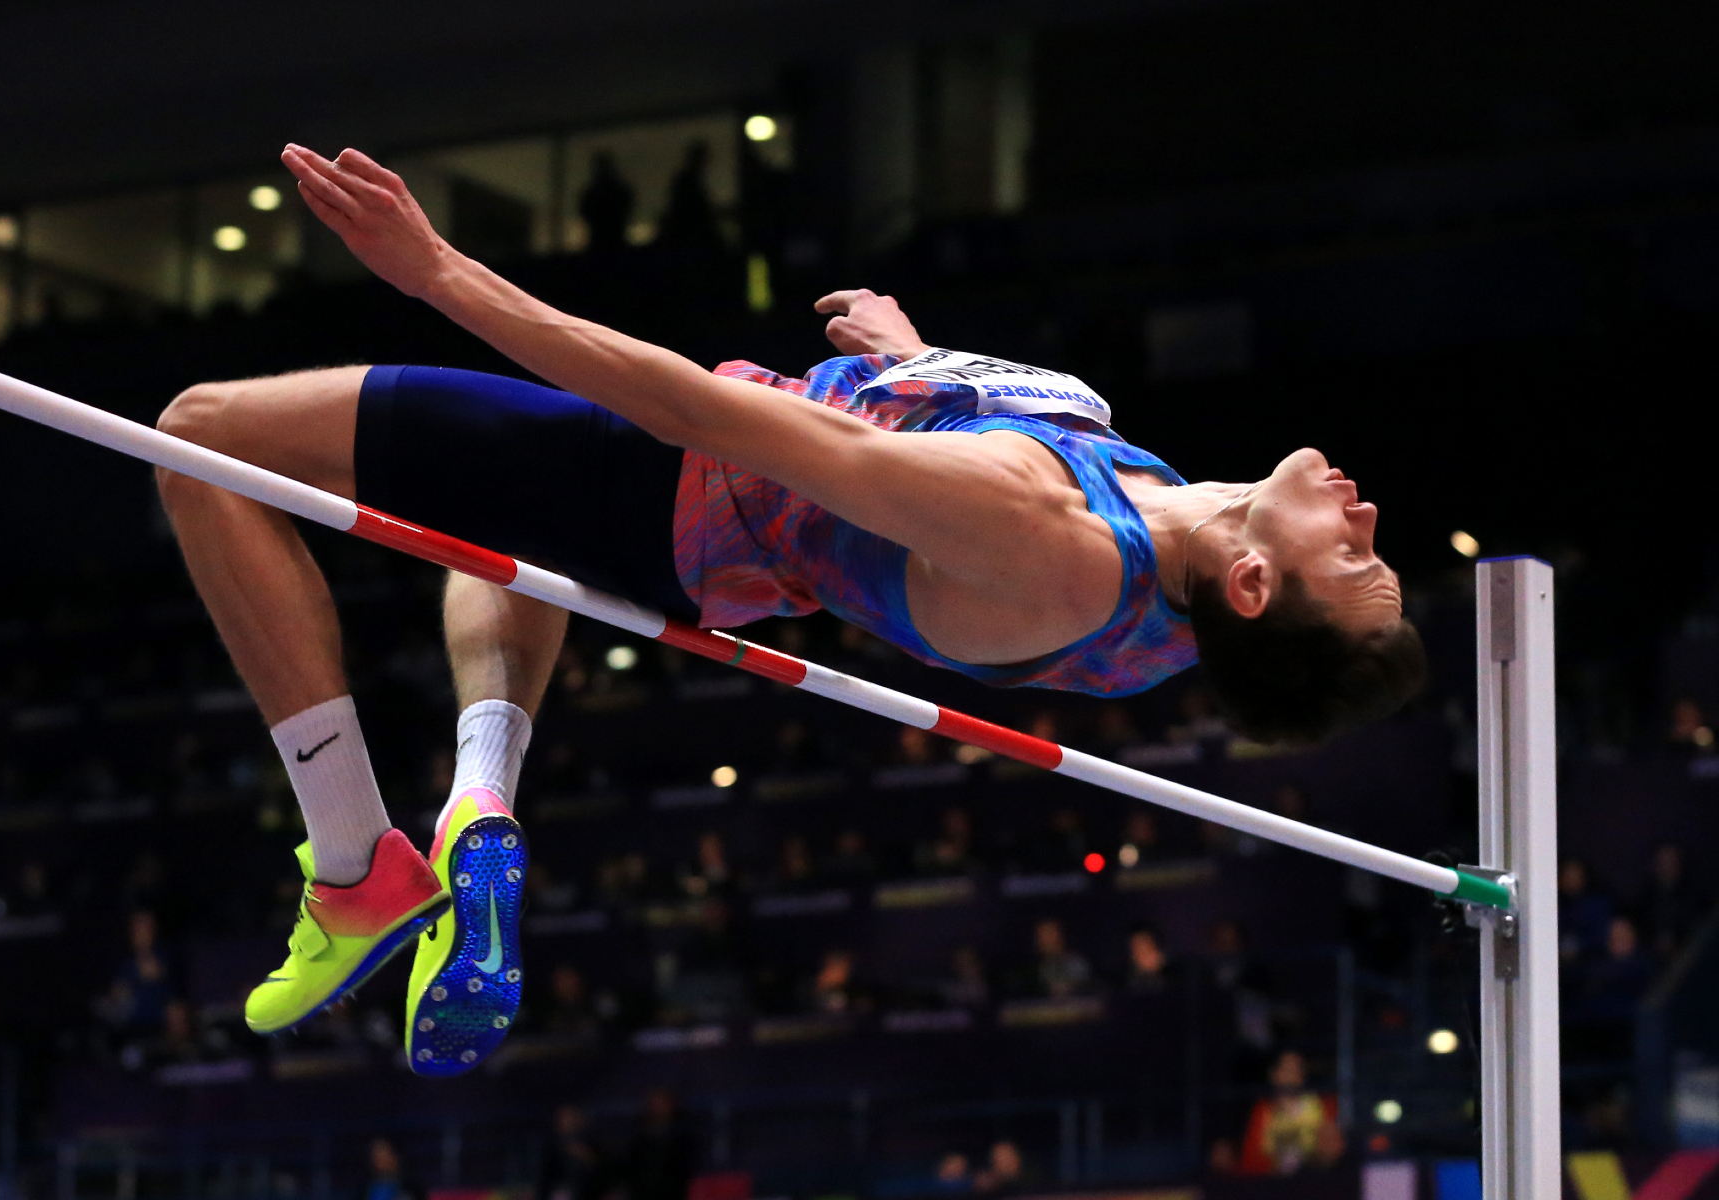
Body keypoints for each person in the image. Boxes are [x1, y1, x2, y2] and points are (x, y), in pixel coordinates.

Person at [153, 143, 1424, 1075]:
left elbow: (709, 419)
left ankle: (349, 863)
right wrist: (913, 362)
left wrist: (437, 271)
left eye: (1359, 563)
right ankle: (477, 798)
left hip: (661, 486)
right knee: (492, 547)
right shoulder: (1167, 558)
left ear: (1257, 586)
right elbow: (943, 487)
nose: (1369, 522)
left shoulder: (1059, 547)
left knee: (200, 442)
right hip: (708, 546)